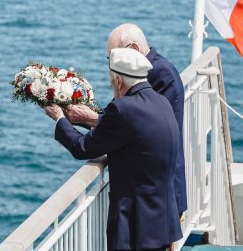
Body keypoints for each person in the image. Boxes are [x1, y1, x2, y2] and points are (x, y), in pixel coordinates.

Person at [44, 48, 183, 250]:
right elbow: (122, 131)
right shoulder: (161, 102)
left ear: (118, 81)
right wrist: (83, 118)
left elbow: (82, 147)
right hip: (162, 221)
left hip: (136, 226)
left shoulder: (123, 109)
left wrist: (59, 118)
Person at [67, 23, 187, 217]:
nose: (111, 66)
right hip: (152, 189)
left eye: (113, 57)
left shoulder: (157, 74)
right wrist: (79, 115)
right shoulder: (149, 70)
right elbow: (118, 118)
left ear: (133, 49)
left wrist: (81, 118)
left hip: (155, 192)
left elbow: (131, 123)